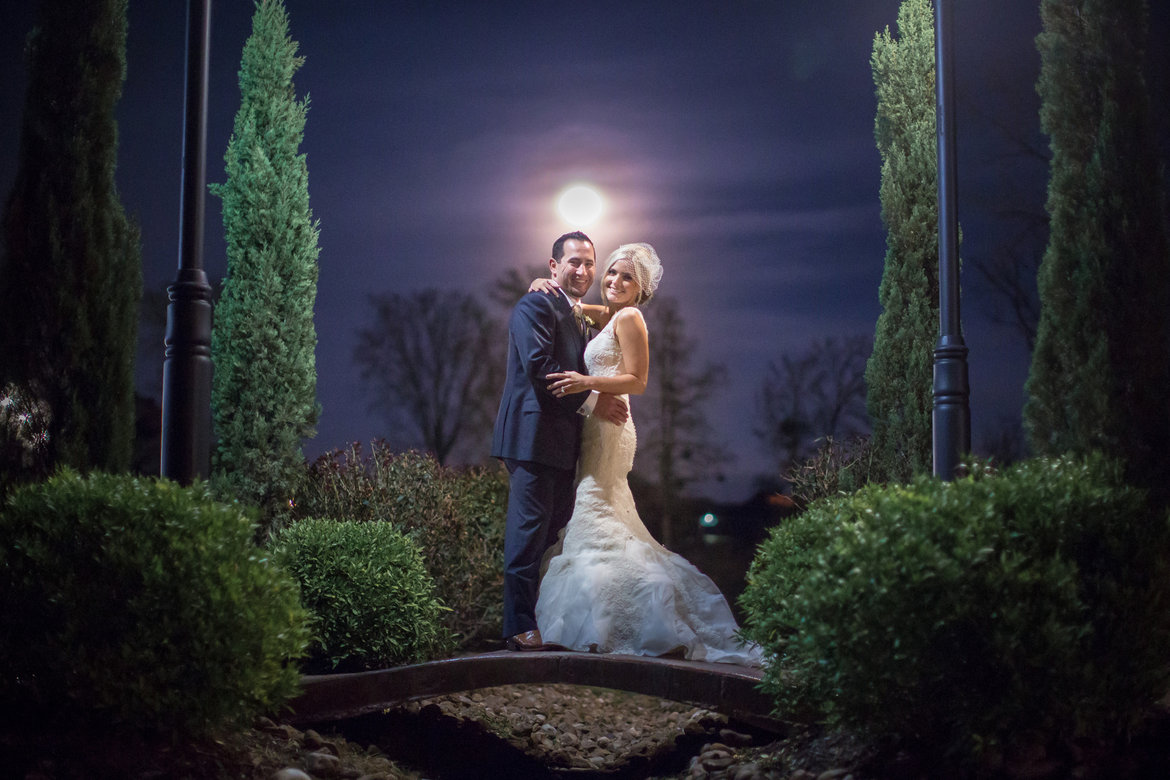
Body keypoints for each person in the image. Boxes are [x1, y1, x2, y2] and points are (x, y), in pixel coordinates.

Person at [532, 243, 762, 666]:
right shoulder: (613, 315)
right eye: (612, 273)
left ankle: (627, 618)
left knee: (594, 508)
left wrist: (586, 383)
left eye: (626, 278)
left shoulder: (632, 317)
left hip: (611, 428)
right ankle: (606, 620)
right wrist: (539, 284)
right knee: (608, 513)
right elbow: (575, 308)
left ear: (641, 290)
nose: (614, 281)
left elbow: (638, 381)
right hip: (594, 427)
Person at [491, 231, 629, 652]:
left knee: (555, 531)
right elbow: (540, 367)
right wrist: (593, 400)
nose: (583, 270)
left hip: (565, 444)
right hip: (531, 439)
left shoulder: (578, 317)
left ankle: (543, 616)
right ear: (554, 267)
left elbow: (622, 312)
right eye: (574, 262)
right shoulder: (535, 304)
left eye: (589, 263)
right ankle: (516, 625)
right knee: (528, 533)